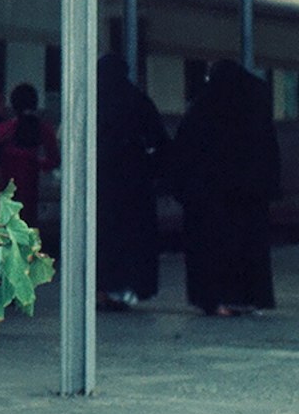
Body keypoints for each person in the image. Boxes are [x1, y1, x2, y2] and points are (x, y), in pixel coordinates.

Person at [175, 58, 281, 316]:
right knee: (250, 249)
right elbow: (269, 150)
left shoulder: (204, 107)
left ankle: (217, 300)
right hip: (250, 196)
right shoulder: (255, 105)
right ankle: (251, 298)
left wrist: (183, 189)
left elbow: (184, 151)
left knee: (213, 250)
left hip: (211, 197)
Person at [94, 53, 172, 310]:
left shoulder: (95, 99)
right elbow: (159, 141)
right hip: (134, 184)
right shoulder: (138, 100)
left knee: (102, 238)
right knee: (132, 239)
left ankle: (101, 289)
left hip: (100, 183)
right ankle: (127, 288)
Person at [0, 83, 59, 231]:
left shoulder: (5, 128)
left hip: (7, 183)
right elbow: (54, 159)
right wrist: (35, 162)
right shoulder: (43, 128)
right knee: (27, 225)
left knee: (7, 224)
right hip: (28, 182)